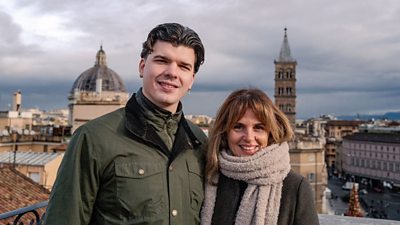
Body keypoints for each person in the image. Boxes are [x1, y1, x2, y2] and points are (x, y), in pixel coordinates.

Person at [43, 23, 207, 225]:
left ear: (191, 79)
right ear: (142, 66)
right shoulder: (93, 138)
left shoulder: (200, 141)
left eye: (183, 66)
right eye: (162, 60)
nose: (172, 72)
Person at [201, 88, 319, 225]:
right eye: (238, 127)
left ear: (271, 133)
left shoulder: (295, 187)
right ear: (224, 131)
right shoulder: (209, 177)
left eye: (259, 128)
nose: (249, 138)